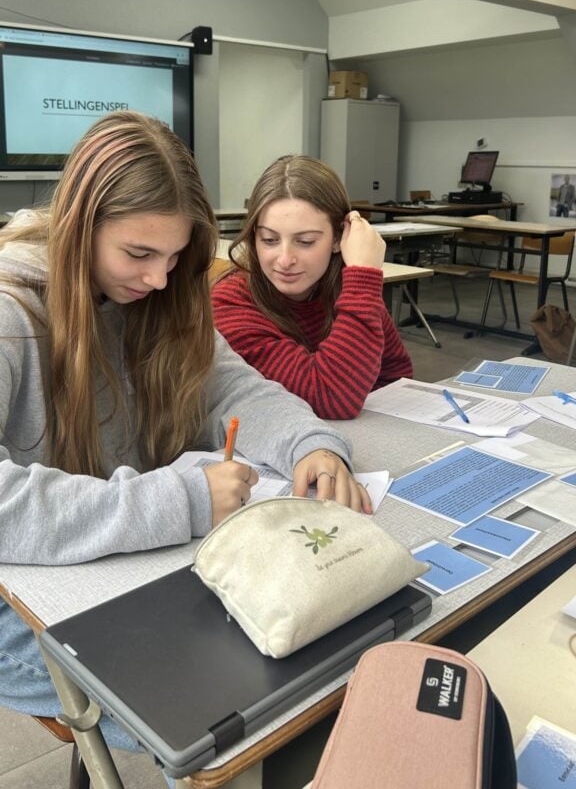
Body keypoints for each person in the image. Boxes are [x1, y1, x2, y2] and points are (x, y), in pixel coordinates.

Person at [0, 114, 369, 771]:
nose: (160, 280)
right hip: (22, 602)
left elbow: (235, 389)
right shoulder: (10, 311)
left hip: (119, 569)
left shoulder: (160, 293)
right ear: (80, 227)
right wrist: (179, 500)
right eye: (139, 254)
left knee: (294, 665)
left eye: (174, 258)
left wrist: (312, 445)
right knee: (232, 716)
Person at [211, 155, 413, 420]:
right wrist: (363, 276)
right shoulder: (230, 303)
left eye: (305, 241)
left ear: (339, 238)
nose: (285, 260)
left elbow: (395, 375)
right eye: (269, 240)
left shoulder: (346, 287)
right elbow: (330, 398)